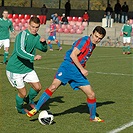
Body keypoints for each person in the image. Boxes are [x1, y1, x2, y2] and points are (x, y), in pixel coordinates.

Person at [27, 26, 106, 122]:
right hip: (68, 67)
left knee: (91, 94)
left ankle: (93, 117)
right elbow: (73, 55)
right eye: (96, 36)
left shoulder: (92, 44)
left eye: (99, 38)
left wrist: (81, 68)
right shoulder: (84, 41)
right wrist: (82, 69)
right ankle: (36, 109)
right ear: (92, 34)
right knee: (53, 86)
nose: (97, 39)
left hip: (77, 72)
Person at [6, 16, 48, 114]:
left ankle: (29, 100)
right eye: (32, 27)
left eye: (37, 27)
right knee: (23, 93)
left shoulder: (37, 37)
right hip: (15, 69)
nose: (34, 29)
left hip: (27, 68)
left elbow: (44, 49)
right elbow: (19, 51)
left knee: (38, 87)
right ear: (29, 25)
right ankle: (20, 108)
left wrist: (44, 43)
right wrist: (33, 57)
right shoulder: (22, 35)